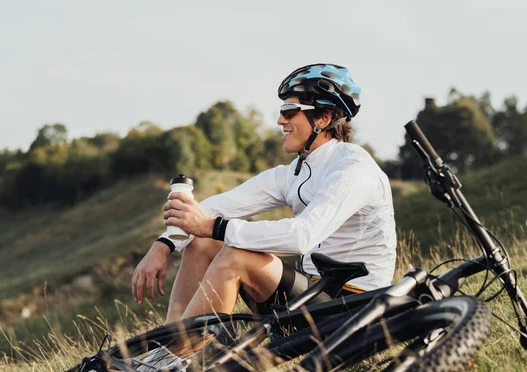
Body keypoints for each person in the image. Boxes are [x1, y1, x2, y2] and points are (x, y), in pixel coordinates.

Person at [131, 63, 396, 324]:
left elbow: (302, 236)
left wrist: (213, 227)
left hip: (354, 307)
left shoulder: (354, 170)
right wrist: (163, 245)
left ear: (323, 118)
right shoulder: (296, 171)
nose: (280, 120)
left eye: (290, 111)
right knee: (203, 241)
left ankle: (176, 356)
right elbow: (216, 208)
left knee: (234, 255)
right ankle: (164, 355)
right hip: (313, 292)